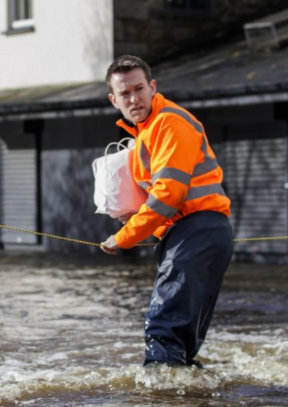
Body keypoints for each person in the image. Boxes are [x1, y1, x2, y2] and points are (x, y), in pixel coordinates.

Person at [99, 55, 233, 367]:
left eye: (139, 88)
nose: (134, 98)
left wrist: (124, 237)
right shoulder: (146, 132)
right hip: (191, 234)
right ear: (113, 100)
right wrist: (132, 218)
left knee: (163, 330)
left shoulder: (169, 122)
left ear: (153, 86)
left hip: (197, 232)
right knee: (180, 340)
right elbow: (163, 199)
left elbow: (168, 195)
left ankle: (161, 394)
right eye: (125, 93)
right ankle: (188, 393)